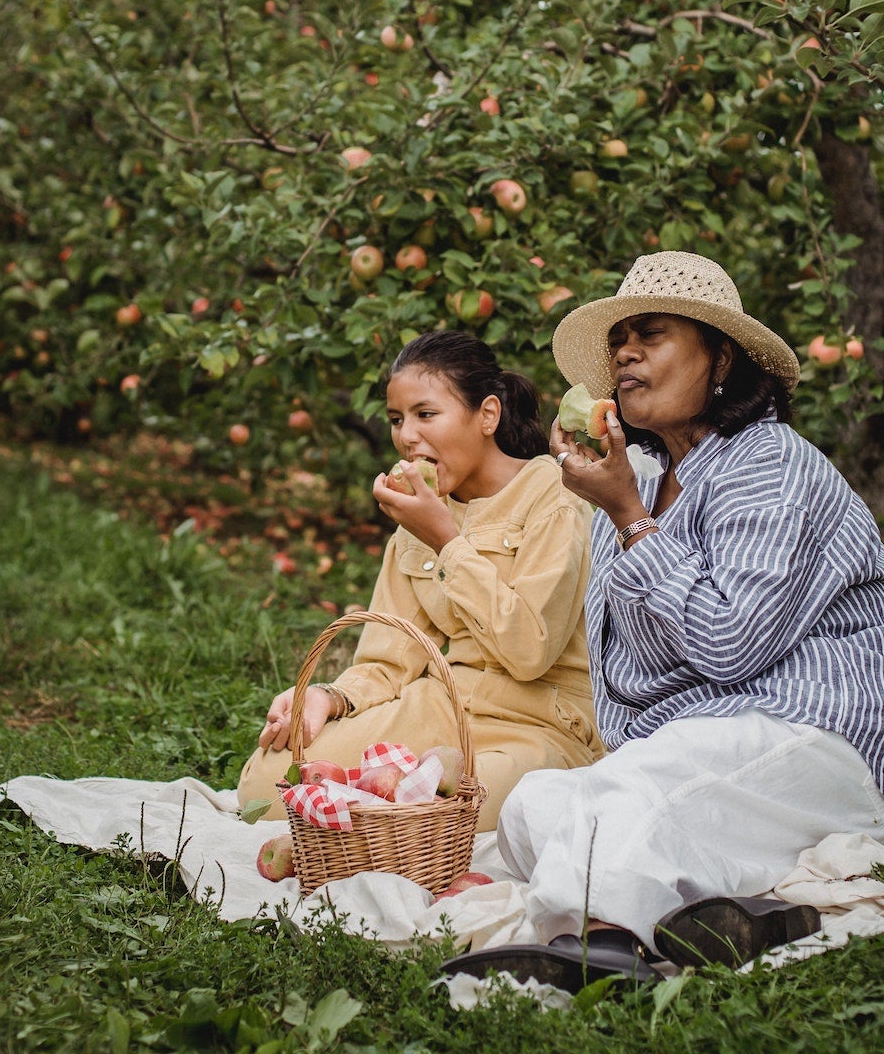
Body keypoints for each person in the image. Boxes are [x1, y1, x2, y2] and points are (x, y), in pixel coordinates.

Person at [446, 251, 884, 988]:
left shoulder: (769, 463)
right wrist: (619, 506)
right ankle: (741, 913)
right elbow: (630, 668)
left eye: (652, 333)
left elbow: (730, 644)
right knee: (538, 805)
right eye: (619, 341)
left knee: (643, 794)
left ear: (721, 360)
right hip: (715, 741)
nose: (625, 353)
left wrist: (630, 520)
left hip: (827, 739)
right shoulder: (638, 478)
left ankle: (603, 947)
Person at [236, 330, 606, 830]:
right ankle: (380, 820)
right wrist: (331, 697)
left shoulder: (553, 498)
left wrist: (447, 541)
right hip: (443, 708)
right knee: (268, 782)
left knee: (443, 807)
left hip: (535, 722)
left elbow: (530, 652)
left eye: (425, 414)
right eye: (396, 420)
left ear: (488, 416)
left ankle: (387, 824)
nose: (407, 435)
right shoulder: (418, 512)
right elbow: (390, 660)